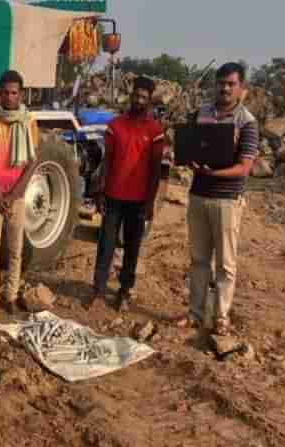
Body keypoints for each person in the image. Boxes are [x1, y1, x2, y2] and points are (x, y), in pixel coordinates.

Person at [176, 63, 259, 335]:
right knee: (199, 260)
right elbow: (189, 147)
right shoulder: (201, 115)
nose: (224, 88)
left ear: (240, 88)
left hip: (227, 200)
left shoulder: (246, 122)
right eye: (221, 83)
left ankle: (221, 316)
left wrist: (215, 172)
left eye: (230, 84)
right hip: (199, 197)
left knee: (225, 264)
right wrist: (189, 160)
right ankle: (196, 314)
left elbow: (244, 168)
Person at [87, 76, 166, 311]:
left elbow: (155, 171)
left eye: (144, 97)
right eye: (136, 96)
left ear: (149, 101)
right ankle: (98, 289)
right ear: (131, 96)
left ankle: (124, 291)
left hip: (139, 200)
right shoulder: (115, 125)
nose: (139, 100)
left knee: (132, 248)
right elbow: (107, 161)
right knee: (106, 245)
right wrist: (100, 191)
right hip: (113, 196)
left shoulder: (155, 131)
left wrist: (150, 202)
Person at [0, 70, 39, 314]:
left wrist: (13, 196)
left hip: (16, 197)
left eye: (14, 93)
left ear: (21, 95)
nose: (10, 97)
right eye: (6, 93)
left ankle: (10, 296)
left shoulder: (29, 122)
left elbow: (32, 162)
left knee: (15, 250)